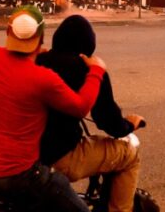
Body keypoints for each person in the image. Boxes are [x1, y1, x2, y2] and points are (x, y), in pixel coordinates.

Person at [0, 5, 108, 211]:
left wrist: (32, 54)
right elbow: (80, 107)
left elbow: (11, 63)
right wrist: (97, 71)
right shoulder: (42, 79)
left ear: (8, 33)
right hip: (18, 176)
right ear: (41, 38)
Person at [37, 15, 144, 212]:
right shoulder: (89, 70)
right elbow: (109, 123)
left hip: (27, 154)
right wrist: (130, 125)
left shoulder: (36, 60)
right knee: (130, 155)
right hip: (60, 155)